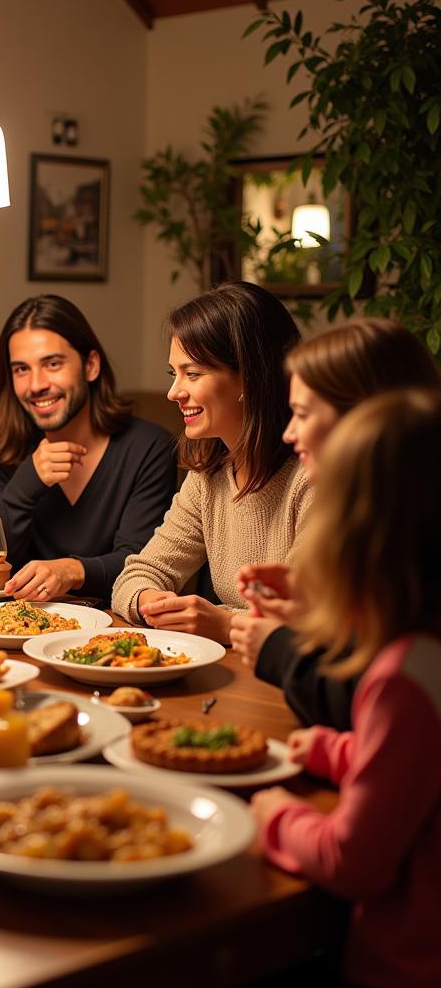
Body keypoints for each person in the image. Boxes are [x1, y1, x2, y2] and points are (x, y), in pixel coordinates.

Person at [251, 389, 441, 988]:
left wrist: (274, 816)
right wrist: (337, 751)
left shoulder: (402, 677)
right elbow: (419, 762)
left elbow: (351, 861)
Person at [230, 319, 441, 729]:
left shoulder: (399, 534)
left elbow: (386, 706)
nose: (289, 434)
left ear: (365, 420)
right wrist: (319, 608)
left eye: (303, 414)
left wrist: (280, 651)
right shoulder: (384, 516)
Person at [111, 281, 310, 643]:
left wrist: (222, 624)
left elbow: (309, 618)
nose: (174, 392)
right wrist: (148, 602)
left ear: (249, 375)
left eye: (193, 373)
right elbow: (139, 573)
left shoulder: (312, 478)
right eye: (175, 374)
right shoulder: (209, 476)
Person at [0, 295, 177, 604]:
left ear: (91, 366)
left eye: (52, 364)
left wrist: (72, 570)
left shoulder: (149, 448)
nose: (36, 384)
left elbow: (144, 564)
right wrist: (27, 484)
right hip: (16, 627)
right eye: (21, 369)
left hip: (116, 630)